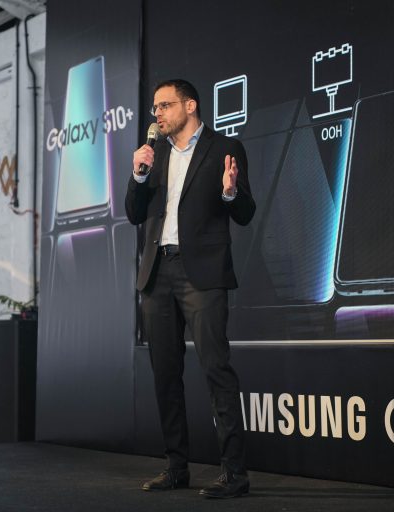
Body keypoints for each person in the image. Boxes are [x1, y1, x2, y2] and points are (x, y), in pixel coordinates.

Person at [125, 79, 255, 498]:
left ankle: (234, 473)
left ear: (190, 105)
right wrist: (138, 175)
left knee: (216, 370)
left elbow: (245, 213)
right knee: (165, 374)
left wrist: (230, 193)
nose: (157, 114)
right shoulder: (154, 153)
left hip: (202, 274)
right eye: (155, 108)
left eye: (165, 105)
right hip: (157, 272)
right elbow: (134, 213)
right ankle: (176, 467)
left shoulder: (224, 148)